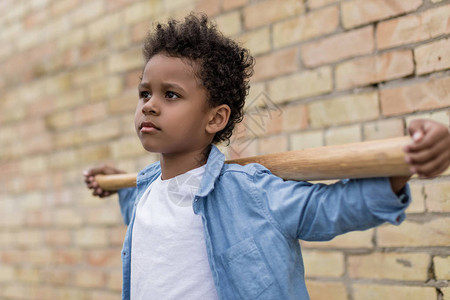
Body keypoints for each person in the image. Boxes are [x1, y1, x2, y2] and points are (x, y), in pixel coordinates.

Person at [83, 13, 450, 300]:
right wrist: (115, 182)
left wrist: (408, 161)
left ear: (215, 118)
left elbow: (329, 208)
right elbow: (152, 219)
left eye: (171, 95)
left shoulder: (251, 194)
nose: (149, 106)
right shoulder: (145, 190)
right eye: (145, 92)